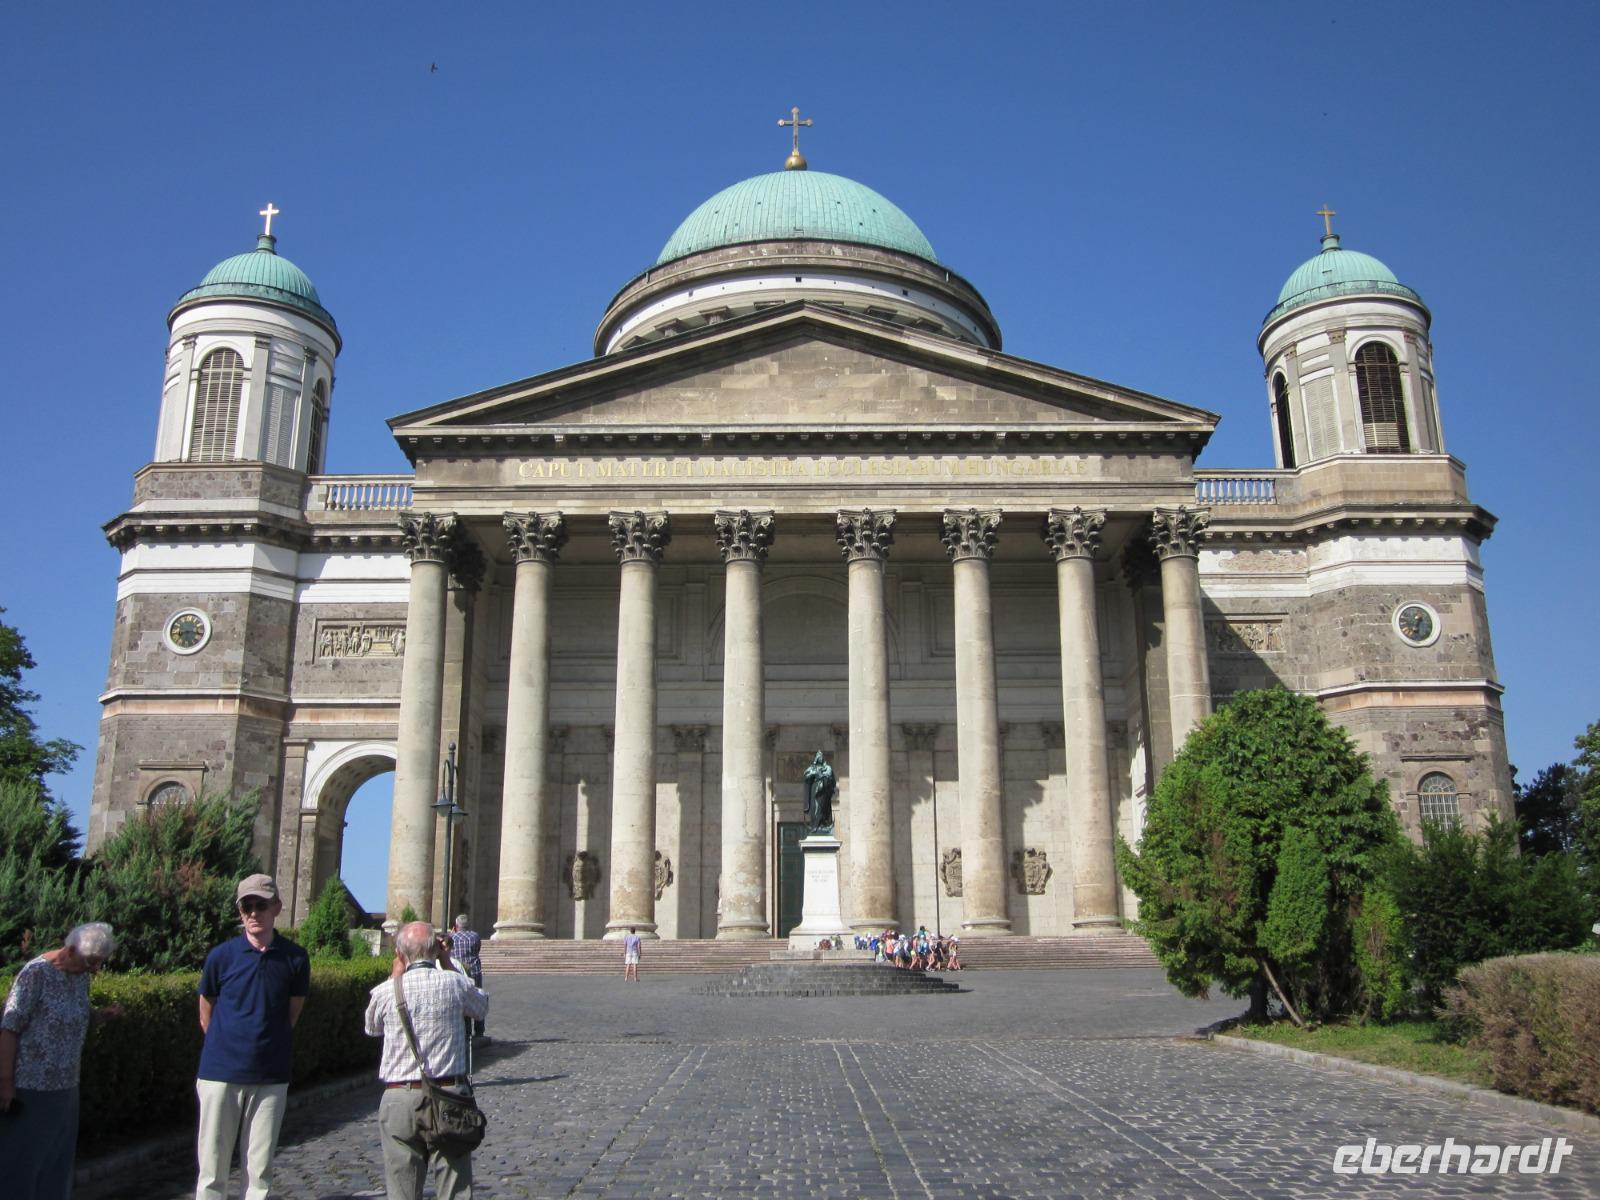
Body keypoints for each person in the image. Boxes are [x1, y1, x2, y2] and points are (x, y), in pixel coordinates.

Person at [195, 874, 310, 1200]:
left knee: (259, 1168)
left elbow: (292, 1012)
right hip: (220, 1072)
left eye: (261, 905)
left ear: (277, 907)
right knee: (212, 1165)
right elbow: (206, 1008)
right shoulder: (221, 956)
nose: (254, 913)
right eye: (247, 907)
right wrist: (225, 1043)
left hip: (271, 1073)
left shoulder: (295, 958)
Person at [365, 922, 488, 1200]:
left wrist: (394, 976)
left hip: (399, 1097)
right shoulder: (455, 983)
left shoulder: (386, 991)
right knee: (454, 1189)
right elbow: (481, 1007)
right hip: (449, 1096)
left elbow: (371, 1028)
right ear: (437, 950)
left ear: (399, 953)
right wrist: (449, 963)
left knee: (402, 1191)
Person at [0, 922, 120, 1200]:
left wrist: (103, 1015)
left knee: (56, 1166)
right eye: (90, 962)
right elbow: (9, 1027)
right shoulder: (35, 974)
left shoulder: (80, 977)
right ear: (70, 950)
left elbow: (76, 1017)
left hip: (65, 1088)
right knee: (22, 1165)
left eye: (98, 963)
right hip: (29, 1089)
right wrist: (5, 1083)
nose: (94, 969)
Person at [448, 915, 486, 1041]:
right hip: (474, 971)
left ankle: (467, 1031)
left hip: (459, 972)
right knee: (478, 998)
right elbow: (477, 949)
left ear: (456, 925)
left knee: (463, 999)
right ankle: (479, 1031)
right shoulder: (475, 936)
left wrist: (452, 933)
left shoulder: (452, 937)